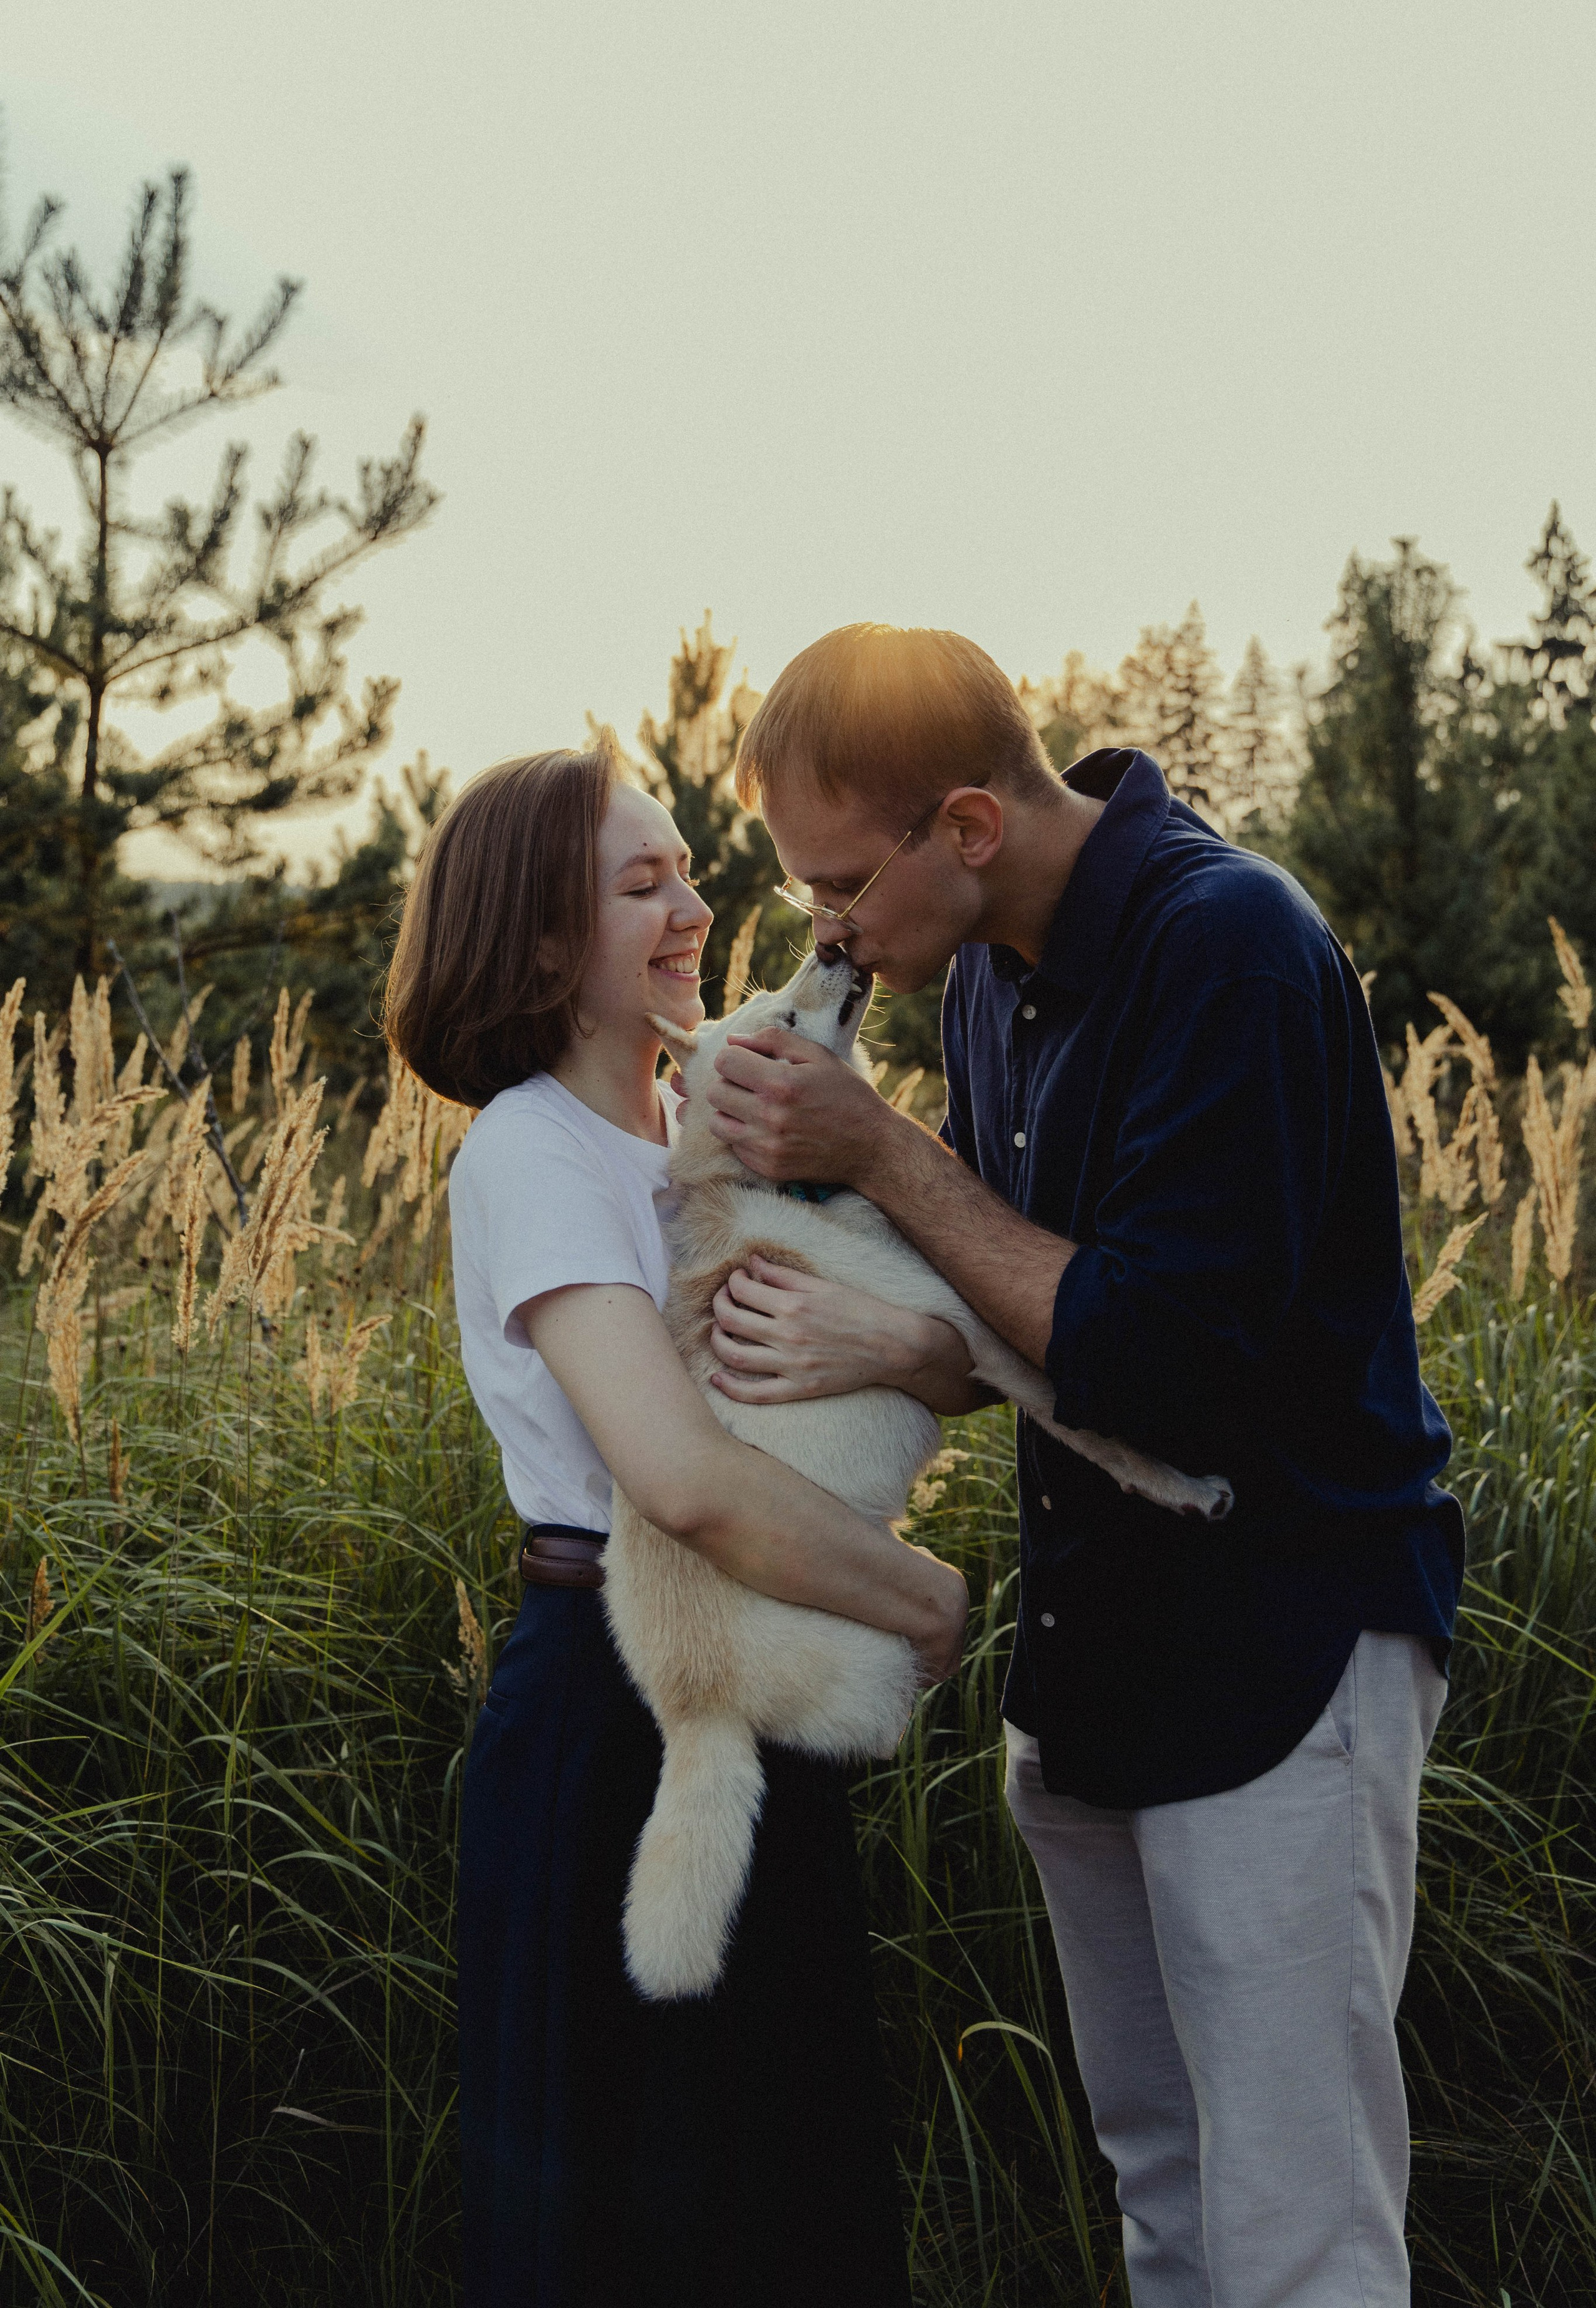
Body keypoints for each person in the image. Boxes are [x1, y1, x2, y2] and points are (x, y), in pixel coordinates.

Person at [701, 624, 1461, 2308]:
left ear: (965, 827)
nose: (824, 930)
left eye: (837, 883)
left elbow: (1168, 1368)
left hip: (1281, 1659)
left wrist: (882, 1155)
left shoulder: (1233, 948)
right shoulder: (985, 972)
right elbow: (1025, 1306)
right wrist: (896, 1348)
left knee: (1296, 2219)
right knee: (1165, 2185)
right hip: (1099, 1667)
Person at [382, 736, 969, 2308]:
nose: (693, 908)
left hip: (751, 1679)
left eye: (688, 870)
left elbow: (890, 1359)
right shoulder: (534, 1153)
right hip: (607, 1706)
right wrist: (919, 1601)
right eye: (640, 886)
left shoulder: (688, 1139)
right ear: (541, 949)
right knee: (635, 2219)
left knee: (779, 2193)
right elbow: (685, 1480)